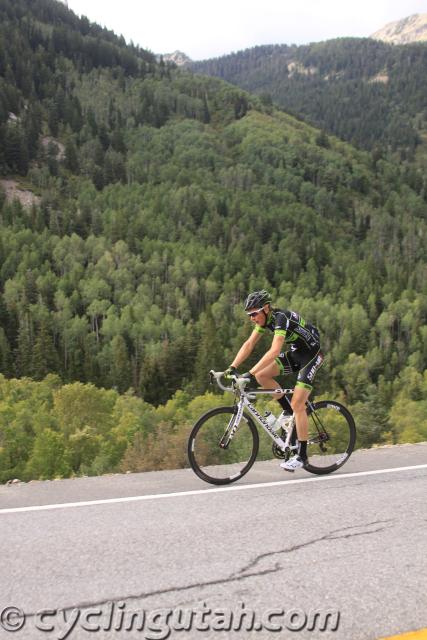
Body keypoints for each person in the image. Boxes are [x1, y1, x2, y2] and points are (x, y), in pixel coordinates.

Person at [225, 290, 324, 471]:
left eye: (254, 313)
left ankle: (302, 456)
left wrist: (249, 374)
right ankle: (288, 412)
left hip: (312, 355)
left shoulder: (280, 318)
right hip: (296, 353)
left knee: (298, 404)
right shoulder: (266, 320)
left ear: (266, 308)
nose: (252, 318)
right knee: (262, 376)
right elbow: (249, 344)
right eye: (249, 315)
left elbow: (274, 351)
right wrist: (232, 367)